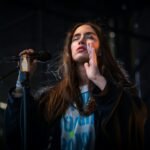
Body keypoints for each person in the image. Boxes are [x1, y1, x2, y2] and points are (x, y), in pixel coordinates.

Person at [4, 21, 149, 150]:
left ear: (101, 50)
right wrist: (22, 79)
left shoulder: (118, 94)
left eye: (89, 36)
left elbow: (133, 127)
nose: (81, 41)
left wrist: (98, 79)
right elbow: (18, 135)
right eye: (76, 38)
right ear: (69, 50)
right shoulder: (52, 99)